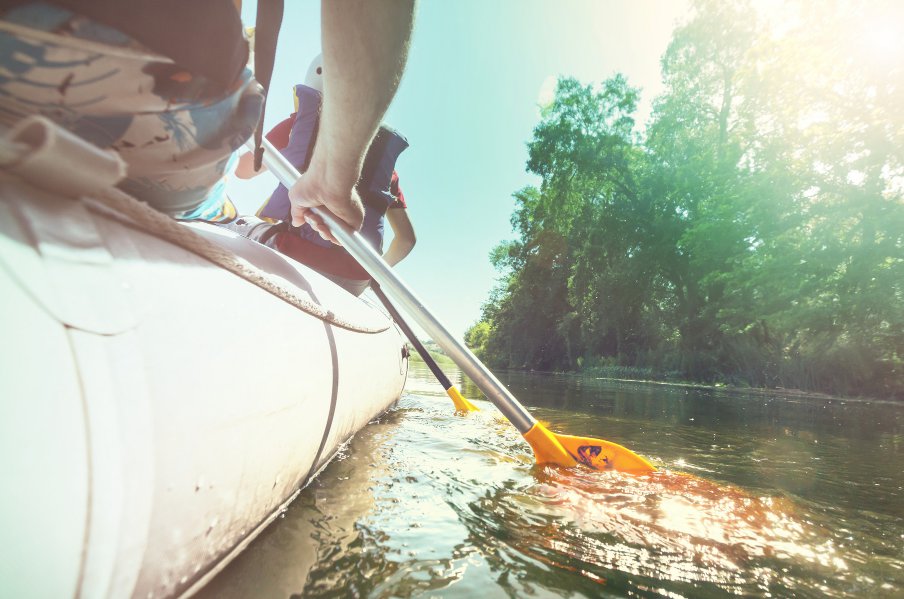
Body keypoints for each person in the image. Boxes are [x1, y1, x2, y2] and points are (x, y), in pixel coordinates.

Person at [0, 0, 416, 232]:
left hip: (16, 46)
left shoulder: (295, 125)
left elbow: (248, 171)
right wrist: (333, 177)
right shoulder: (387, 173)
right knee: (218, 202)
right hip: (167, 98)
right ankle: (232, 221)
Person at [231, 54, 416, 296]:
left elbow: (243, 171)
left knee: (237, 223)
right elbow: (406, 241)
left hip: (293, 253)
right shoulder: (386, 169)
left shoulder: (298, 126)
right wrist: (373, 276)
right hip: (356, 277)